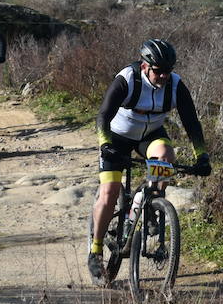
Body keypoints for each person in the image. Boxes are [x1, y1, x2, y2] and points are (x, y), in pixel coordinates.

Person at [86, 38, 211, 284]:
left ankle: (152, 202)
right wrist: (105, 145)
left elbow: (192, 123)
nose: (164, 76)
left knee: (166, 154)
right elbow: (103, 115)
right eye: (158, 71)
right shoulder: (127, 79)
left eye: (168, 71)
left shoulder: (175, 85)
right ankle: (96, 249)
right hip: (117, 137)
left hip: (150, 136)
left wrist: (202, 155)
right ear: (145, 67)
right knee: (109, 192)